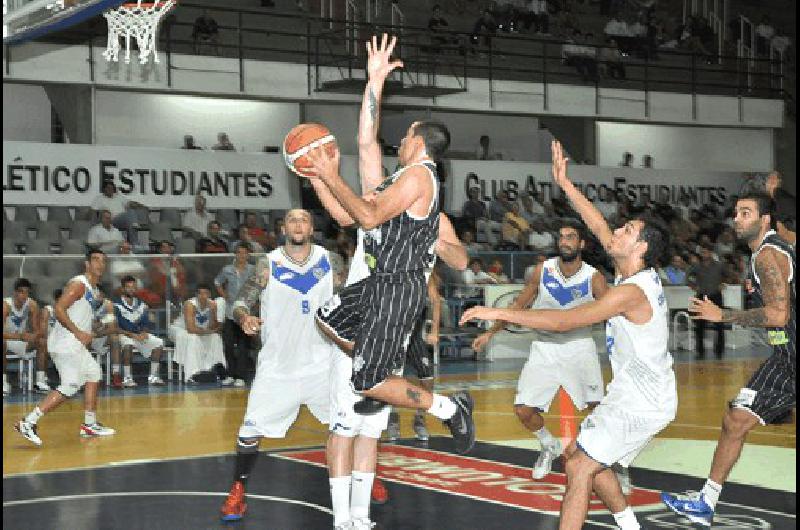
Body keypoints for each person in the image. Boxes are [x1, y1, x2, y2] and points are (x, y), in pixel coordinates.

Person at [460, 140, 674, 530]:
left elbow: (565, 322)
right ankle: (629, 526)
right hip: (631, 393)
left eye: (626, 230)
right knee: (585, 459)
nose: (617, 232)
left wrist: (498, 311)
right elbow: (597, 225)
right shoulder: (631, 272)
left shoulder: (630, 291)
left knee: (578, 468)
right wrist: (564, 182)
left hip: (646, 401)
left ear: (640, 247)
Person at [303, 34, 476, 459]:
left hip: (399, 286)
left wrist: (331, 174)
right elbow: (364, 150)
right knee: (328, 319)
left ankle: (449, 407)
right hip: (380, 281)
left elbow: (364, 217)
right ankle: (382, 380)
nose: (396, 141)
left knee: (365, 381)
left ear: (417, 139)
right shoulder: (396, 182)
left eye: (405, 137)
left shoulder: (419, 177)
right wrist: (374, 81)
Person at [661, 191, 795, 527]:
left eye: (746, 212)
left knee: (736, 420)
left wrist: (723, 316)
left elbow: (778, 316)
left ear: (765, 220)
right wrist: (768, 192)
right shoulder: (775, 244)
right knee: (736, 420)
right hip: (785, 358)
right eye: (736, 212)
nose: (737, 218)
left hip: (791, 354)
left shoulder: (767, 256)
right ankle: (706, 502)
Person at [219, 209, 338, 522]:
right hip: (278, 366)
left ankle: (370, 475)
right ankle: (238, 491)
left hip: (322, 363)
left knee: (349, 425)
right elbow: (241, 301)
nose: (298, 225)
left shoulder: (330, 260)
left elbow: (348, 298)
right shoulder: (268, 263)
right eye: (292, 220)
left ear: (311, 227)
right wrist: (244, 317)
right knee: (249, 429)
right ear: (284, 227)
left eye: (304, 220)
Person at [471, 219, 611, 482]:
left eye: (570, 237)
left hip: (579, 347)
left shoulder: (594, 277)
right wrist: (490, 332)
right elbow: (518, 306)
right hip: (544, 348)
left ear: (581, 244)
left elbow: (612, 314)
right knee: (523, 410)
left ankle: (607, 462)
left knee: (598, 411)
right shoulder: (542, 271)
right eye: (561, 237)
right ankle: (548, 444)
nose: (564, 241)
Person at [15, 249, 116, 446]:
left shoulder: (93, 291)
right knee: (70, 385)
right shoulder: (79, 284)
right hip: (66, 343)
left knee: (94, 373)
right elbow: (59, 308)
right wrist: (79, 332)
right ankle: (28, 422)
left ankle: (89, 424)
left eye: (103, 261)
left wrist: (94, 327)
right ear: (87, 264)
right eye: (95, 260)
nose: (100, 264)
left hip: (74, 344)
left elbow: (79, 315)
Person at [113, 275, 166, 387]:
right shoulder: (116, 305)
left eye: (133, 287)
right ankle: (127, 378)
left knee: (158, 343)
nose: (131, 290)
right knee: (127, 345)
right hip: (124, 335)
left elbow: (146, 323)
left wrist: (144, 332)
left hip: (139, 335)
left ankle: (153, 376)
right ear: (122, 289)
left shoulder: (142, 304)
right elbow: (115, 327)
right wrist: (131, 334)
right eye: (128, 287)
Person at [214, 242, 255, 387]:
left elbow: (258, 286)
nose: (242, 255)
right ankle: (230, 374)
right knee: (229, 345)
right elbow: (217, 282)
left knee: (244, 347)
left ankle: (241, 377)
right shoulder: (227, 269)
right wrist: (225, 295)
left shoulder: (253, 270)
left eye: (245, 253)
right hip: (230, 313)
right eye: (239, 252)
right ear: (235, 254)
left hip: (246, 313)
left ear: (248, 254)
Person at [169, 283, 225, 384]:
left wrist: (213, 312)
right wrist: (206, 331)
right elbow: (190, 328)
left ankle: (215, 368)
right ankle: (192, 374)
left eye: (206, 293)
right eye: (201, 294)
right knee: (193, 338)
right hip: (179, 330)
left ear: (209, 295)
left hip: (200, 331)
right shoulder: (190, 304)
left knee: (215, 337)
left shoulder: (213, 304)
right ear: (196, 295)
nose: (203, 296)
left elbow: (214, 327)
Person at [3, 278, 41, 395]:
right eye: (21, 292)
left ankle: (40, 381)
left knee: (42, 342)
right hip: (7, 339)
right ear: (15, 293)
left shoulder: (32, 305)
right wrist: (20, 336)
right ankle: (4, 381)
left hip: (21, 341)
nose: (24, 295)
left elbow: (37, 330)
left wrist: (34, 336)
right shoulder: (6, 306)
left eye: (27, 292)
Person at [687, 244, 726, 358]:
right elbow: (688, 276)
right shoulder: (697, 266)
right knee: (699, 325)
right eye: (703, 252)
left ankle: (719, 350)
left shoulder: (719, 266)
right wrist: (693, 285)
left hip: (716, 296)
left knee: (719, 324)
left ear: (711, 253)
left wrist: (723, 284)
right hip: (702, 296)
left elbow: (728, 275)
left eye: (707, 252)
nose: (705, 254)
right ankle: (700, 350)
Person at [90, 181, 146, 245]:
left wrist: (142, 205)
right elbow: (93, 212)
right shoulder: (99, 199)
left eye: (112, 188)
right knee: (130, 217)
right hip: (110, 220)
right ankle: (135, 243)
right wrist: (95, 223)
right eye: (108, 188)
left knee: (131, 213)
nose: (110, 190)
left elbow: (130, 203)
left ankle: (132, 241)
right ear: (104, 189)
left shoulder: (119, 197)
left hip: (122, 220)